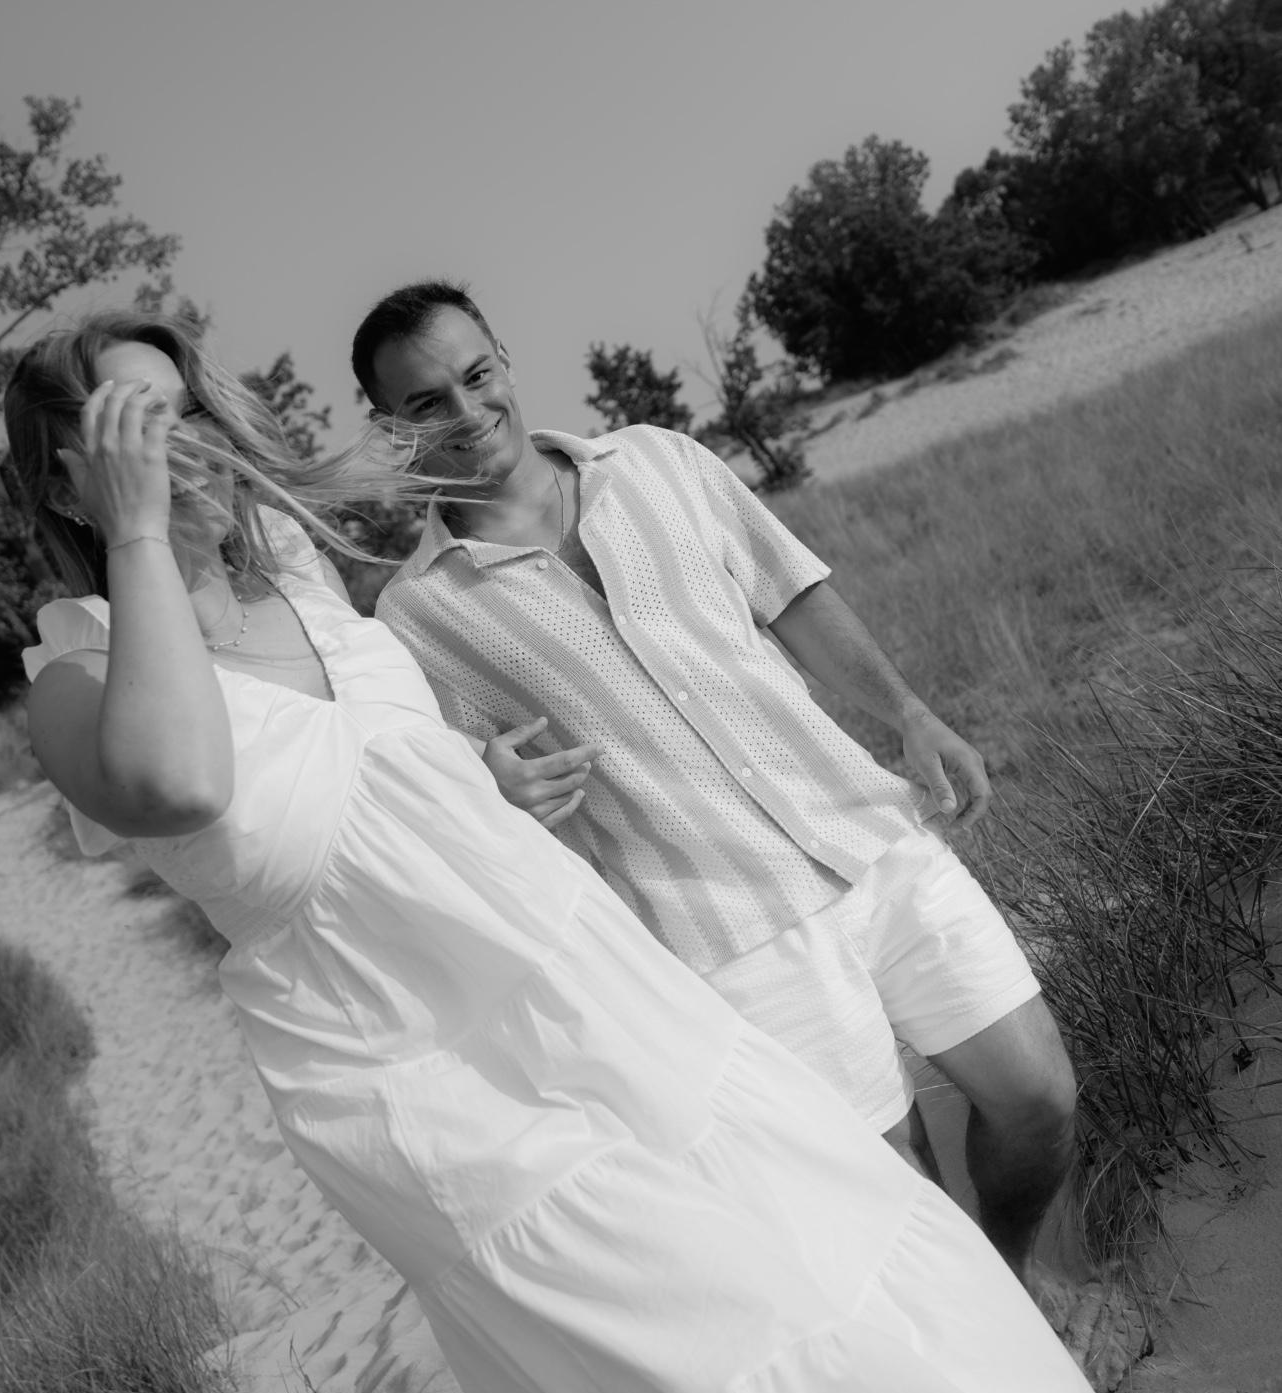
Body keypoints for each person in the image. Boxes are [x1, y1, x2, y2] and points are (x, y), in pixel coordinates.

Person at [4, 309, 1121, 1393]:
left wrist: (477, 780)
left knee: (837, 1253)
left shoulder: (299, 573)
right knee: (716, 1357)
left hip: (596, 986)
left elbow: (381, 778)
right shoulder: (75, 679)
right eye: (127, 424)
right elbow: (182, 781)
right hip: (421, 1074)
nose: (172, 443)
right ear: (68, 482)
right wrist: (139, 533)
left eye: (182, 410)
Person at [360, 280, 1078, 1290]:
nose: (468, 411)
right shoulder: (415, 616)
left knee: (1039, 1097)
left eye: (477, 376)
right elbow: (457, 807)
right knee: (895, 1192)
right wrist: (499, 793)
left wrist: (911, 714)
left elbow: (791, 592)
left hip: (866, 836)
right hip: (723, 935)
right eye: (427, 403)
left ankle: (1011, 1280)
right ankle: (1000, 1351)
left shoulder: (659, 461)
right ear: (390, 426)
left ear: (505, 361)